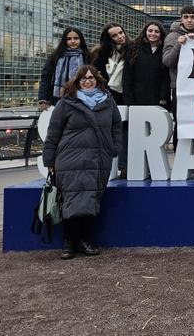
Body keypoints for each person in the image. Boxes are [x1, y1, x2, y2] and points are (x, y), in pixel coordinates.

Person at [42, 65, 122, 259]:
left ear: (98, 81)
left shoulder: (108, 102)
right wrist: (49, 159)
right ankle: (69, 242)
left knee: (92, 198)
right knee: (71, 199)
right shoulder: (67, 102)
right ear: (77, 82)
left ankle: (85, 240)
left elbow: (116, 126)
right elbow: (53, 132)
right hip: (70, 158)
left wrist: (114, 148)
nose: (88, 81)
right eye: (84, 79)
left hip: (98, 158)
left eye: (91, 78)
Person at [162, 6, 194, 141]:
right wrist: (179, 45)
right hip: (180, 88)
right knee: (181, 124)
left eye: (193, 17)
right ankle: (180, 155)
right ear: (181, 19)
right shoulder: (172, 36)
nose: (189, 20)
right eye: (186, 17)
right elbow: (167, 61)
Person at [39, 28, 89, 110]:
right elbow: (46, 77)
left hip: (82, 97)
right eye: (69, 39)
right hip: (58, 98)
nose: (72, 41)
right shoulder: (56, 56)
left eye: (76, 38)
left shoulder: (87, 56)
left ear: (81, 40)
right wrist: (43, 98)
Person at [123, 20, 170, 108]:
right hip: (137, 97)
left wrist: (163, 96)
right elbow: (127, 76)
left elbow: (166, 77)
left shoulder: (165, 50)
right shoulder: (134, 49)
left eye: (156, 31)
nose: (153, 34)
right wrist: (129, 99)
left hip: (158, 98)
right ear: (145, 32)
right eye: (150, 31)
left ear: (161, 34)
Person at [91, 23, 129, 105]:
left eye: (121, 32)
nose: (119, 36)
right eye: (114, 35)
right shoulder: (101, 53)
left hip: (127, 93)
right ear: (109, 39)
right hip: (107, 93)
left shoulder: (132, 50)